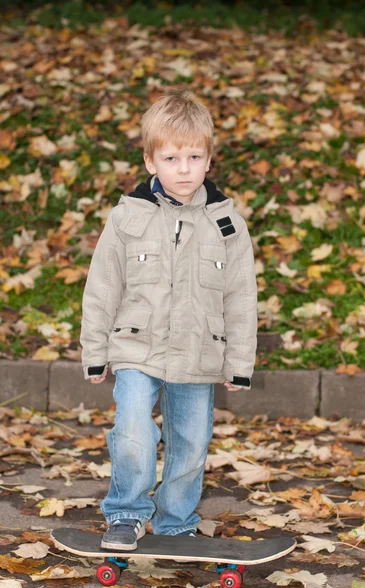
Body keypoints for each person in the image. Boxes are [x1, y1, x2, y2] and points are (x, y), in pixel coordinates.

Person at [79, 89, 258, 551]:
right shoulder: (127, 218)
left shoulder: (227, 224)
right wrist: (95, 352)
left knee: (191, 443)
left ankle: (176, 520)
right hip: (136, 348)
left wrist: (239, 362)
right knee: (135, 430)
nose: (184, 168)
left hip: (199, 353)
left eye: (194, 156)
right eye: (172, 157)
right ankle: (127, 514)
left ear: (209, 160)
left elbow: (241, 297)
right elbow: (102, 287)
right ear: (149, 161)